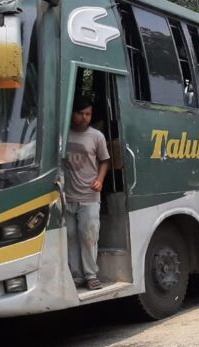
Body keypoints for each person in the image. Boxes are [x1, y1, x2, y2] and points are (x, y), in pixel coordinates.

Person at [63, 96, 111, 290]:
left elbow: (105, 160)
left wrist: (100, 180)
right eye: (80, 113)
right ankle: (76, 276)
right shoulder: (63, 135)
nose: (84, 117)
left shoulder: (96, 136)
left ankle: (91, 275)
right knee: (71, 237)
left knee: (88, 236)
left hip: (90, 196)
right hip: (67, 196)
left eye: (88, 114)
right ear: (72, 113)